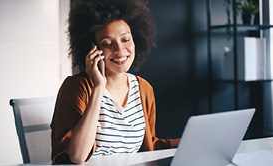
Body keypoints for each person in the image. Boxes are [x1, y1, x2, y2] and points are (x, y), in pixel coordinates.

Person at [50, 0, 180, 164]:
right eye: (108, 43)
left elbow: (149, 145)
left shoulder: (143, 89)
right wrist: (99, 87)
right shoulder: (76, 87)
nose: (120, 50)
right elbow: (77, 156)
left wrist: (190, 141)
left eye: (125, 39)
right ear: (92, 49)